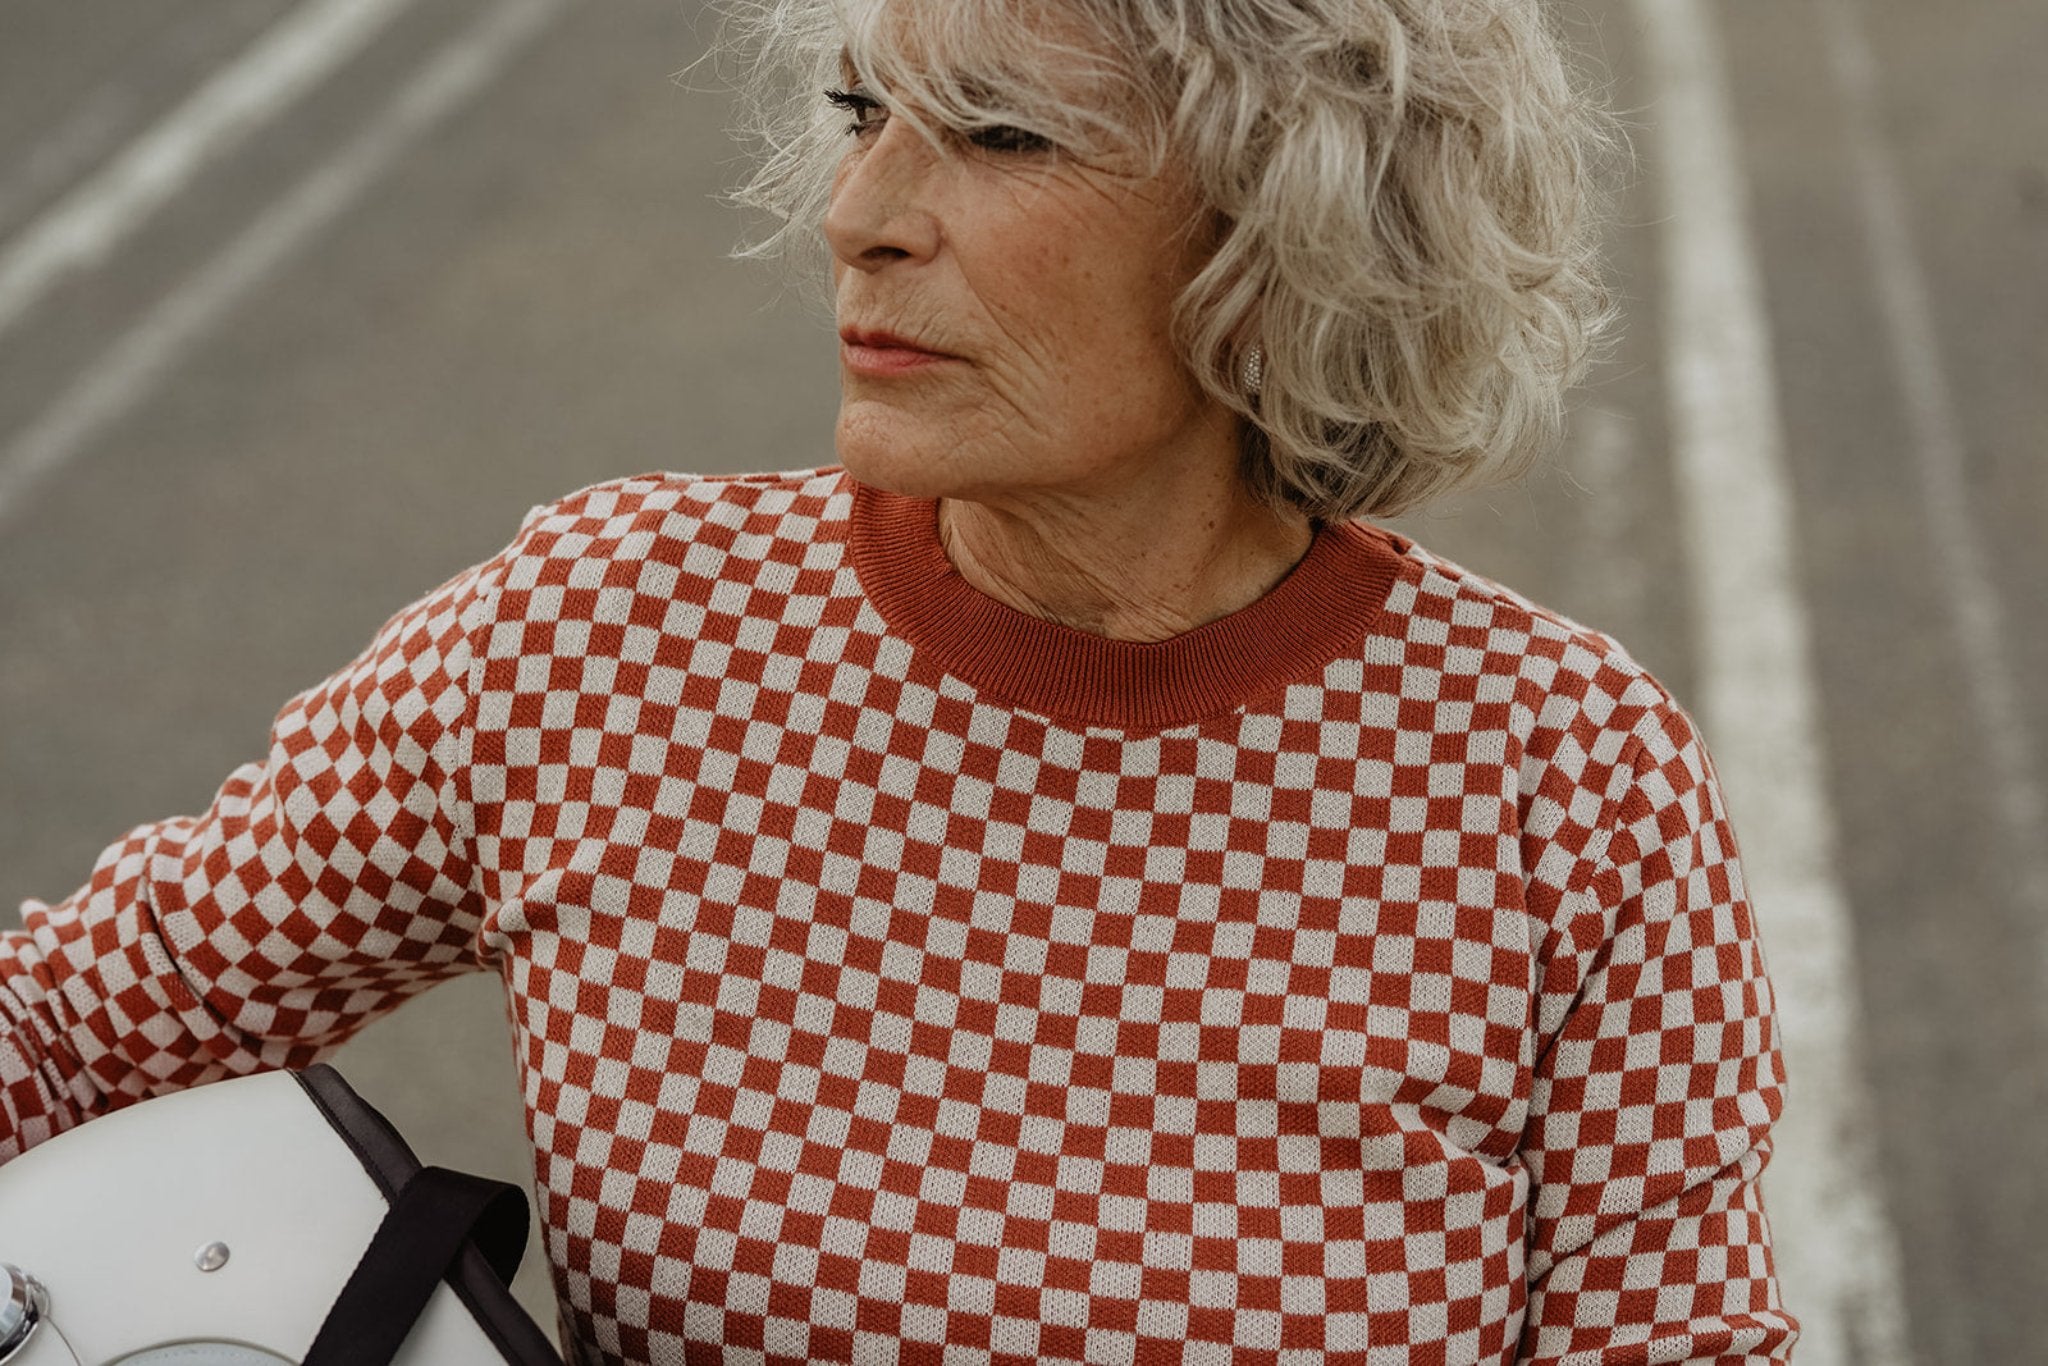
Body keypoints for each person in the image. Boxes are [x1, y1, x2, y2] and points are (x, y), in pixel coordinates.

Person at [0, 0, 1798, 1362]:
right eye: (867, 111)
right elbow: (66, 1031)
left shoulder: (1562, 780)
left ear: (1294, 229)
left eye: (1001, 136)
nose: (859, 209)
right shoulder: (607, 637)